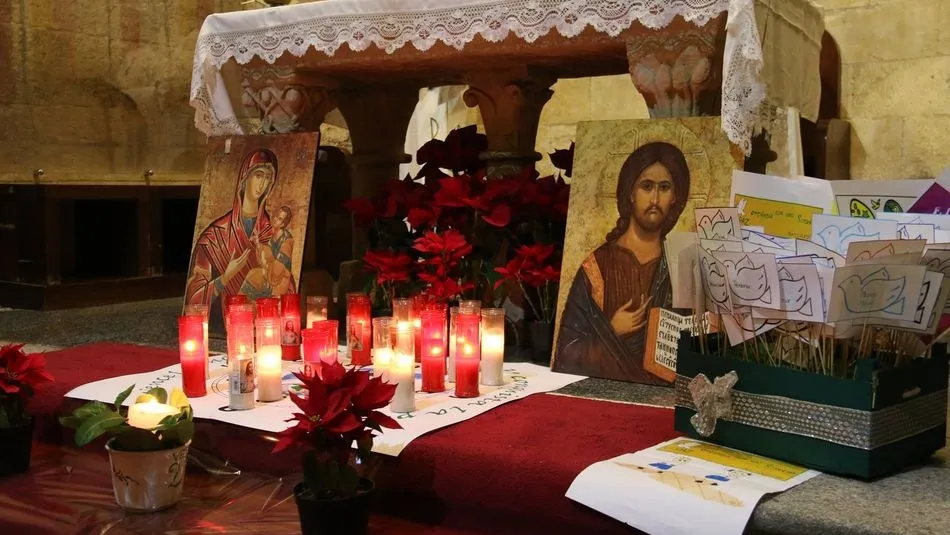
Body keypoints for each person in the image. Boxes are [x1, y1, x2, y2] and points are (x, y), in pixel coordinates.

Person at [553, 142, 690, 384]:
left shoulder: (682, 266)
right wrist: (612, 331)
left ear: (675, 198)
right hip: (601, 398)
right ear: (630, 192)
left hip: (664, 401)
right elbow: (566, 353)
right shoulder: (596, 267)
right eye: (646, 186)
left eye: (665, 187)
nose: (655, 198)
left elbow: (697, 349)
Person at [184, 149, 278, 321]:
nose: (262, 184)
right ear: (244, 178)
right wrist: (226, 277)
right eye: (258, 175)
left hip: (266, 322)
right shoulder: (215, 236)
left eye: (267, 178)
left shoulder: (272, 232)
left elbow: (285, 282)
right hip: (226, 321)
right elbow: (194, 299)